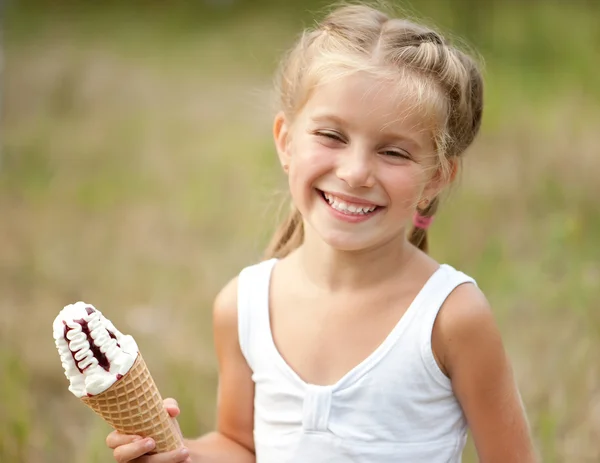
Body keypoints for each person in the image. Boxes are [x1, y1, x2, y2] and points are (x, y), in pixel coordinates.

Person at [106, 2, 538, 462]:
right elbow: (240, 445)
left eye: (393, 152)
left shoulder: (451, 317)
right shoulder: (244, 306)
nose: (355, 173)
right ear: (286, 141)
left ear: (435, 179)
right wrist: (179, 451)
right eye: (332, 137)